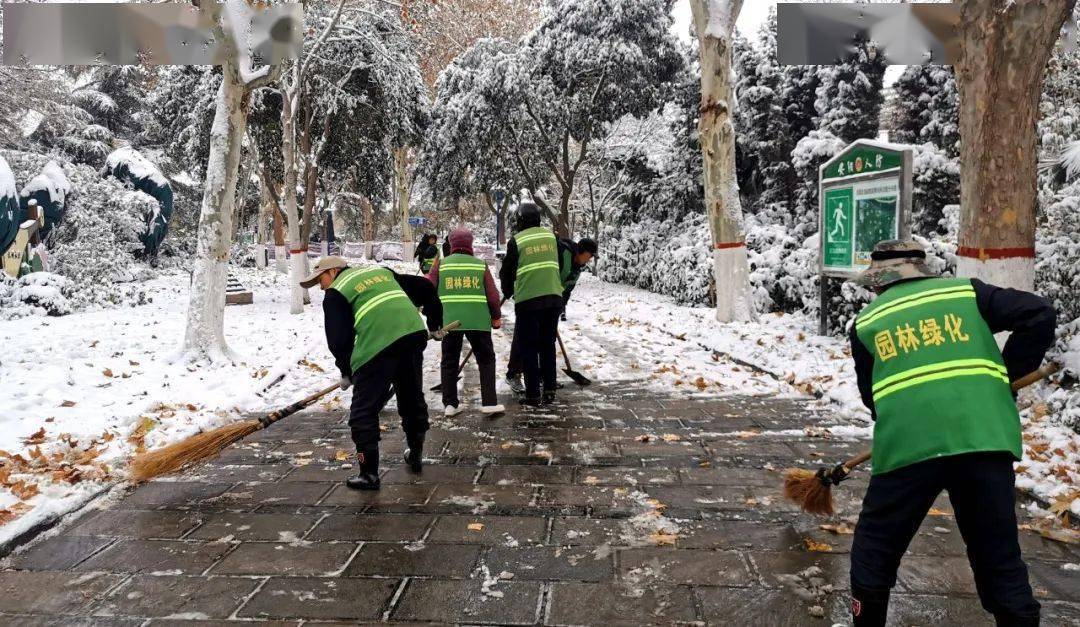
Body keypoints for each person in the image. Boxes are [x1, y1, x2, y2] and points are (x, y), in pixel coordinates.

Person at [847, 240, 1056, 627]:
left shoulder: (866, 324)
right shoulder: (967, 293)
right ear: (922, 271)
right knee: (999, 557)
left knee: (874, 550)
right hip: (984, 437)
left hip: (908, 446)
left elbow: (872, 398)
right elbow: (1038, 313)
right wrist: (1007, 377)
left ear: (877, 283)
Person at [302, 256, 444, 491]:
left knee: (363, 410)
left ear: (334, 271)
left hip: (379, 344)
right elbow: (425, 287)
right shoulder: (381, 272)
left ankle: (368, 474)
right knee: (410, 397)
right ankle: (416, 453)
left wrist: (346, 370)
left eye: (321, 278)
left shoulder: (336, 292)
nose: (321, 285)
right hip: (412, 335)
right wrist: (435, 324)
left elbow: (339, 340)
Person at [427, 228, 505, 416]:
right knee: (486, 360)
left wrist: (434, 321)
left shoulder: (441, 265)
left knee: (449, 361)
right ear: (470, 244)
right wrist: (495, 317)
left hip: (449, 323)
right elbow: (493, 296)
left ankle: (450, 405)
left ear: (452, 244)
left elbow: (428, 290)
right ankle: (489, 402)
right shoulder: (480, 265)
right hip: (478, 322)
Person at [505, 236, 598, 391]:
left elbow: (567, 290)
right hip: (533, 297)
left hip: (551, 304)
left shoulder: (577, 268)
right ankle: (513, 373)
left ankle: (545, 376)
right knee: (524, 337)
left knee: (546, 342)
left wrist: (558, 308)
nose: (589, 260)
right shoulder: (562, 253)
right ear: (582, 252)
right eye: (589, 256)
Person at [499, 202, 564, 406]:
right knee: (547, 345)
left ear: (519, 221)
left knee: (528, 346)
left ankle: (533, 394)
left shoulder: (517, 241)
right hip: (553, 298)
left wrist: (508, 290)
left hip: (528, 301)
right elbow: (558, 265)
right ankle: (550, 389)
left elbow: (507, 271)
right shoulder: (552, 237)